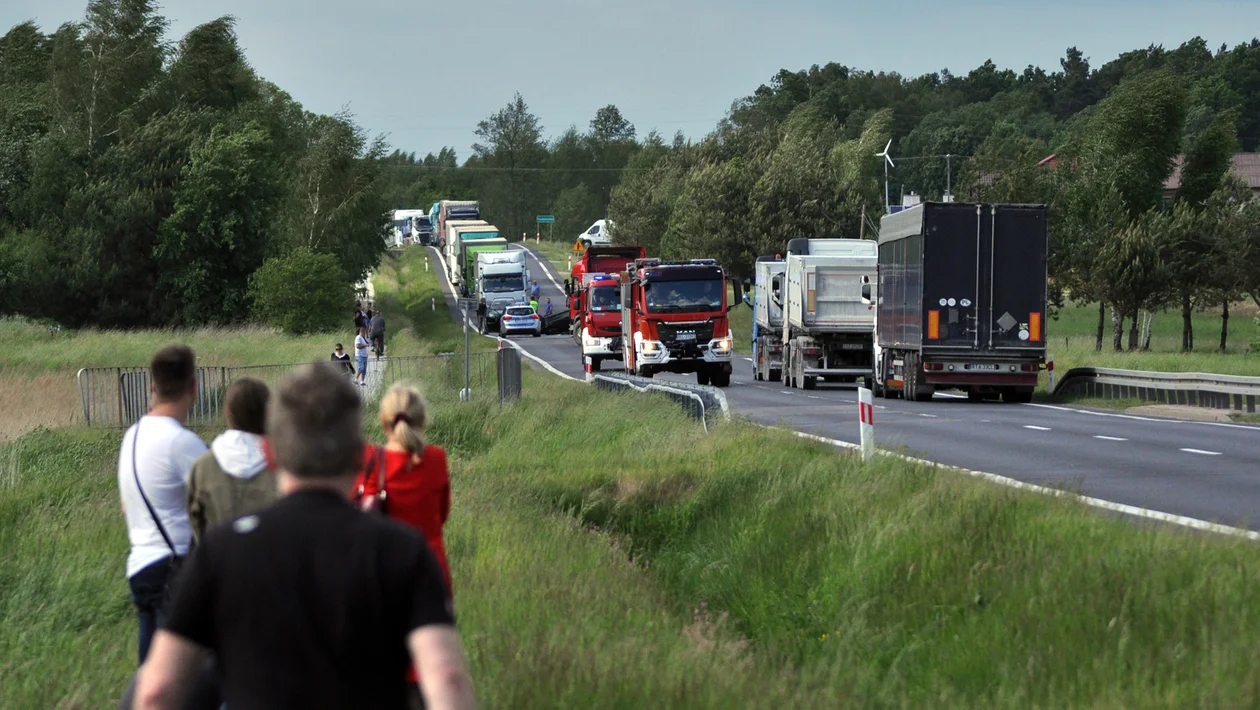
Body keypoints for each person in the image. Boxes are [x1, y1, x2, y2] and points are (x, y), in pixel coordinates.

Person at [133, 364, 475, 710]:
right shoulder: (404, 551)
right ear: (359, 454)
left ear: (270, 452)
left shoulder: (220, 551)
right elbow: (446, 676)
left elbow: (156, 691)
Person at [356, 385, 453, 697]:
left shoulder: (371, 461)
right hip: (432, 574)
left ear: (384, 423)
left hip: (383, 577)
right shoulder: (436, 460)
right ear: (421, 420)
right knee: (432, 668)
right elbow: (443, 514)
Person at [118, 345, 208, 665]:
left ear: (153, 387)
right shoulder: (181, 442)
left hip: (140, 567)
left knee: (151, 676)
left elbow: (126, 506)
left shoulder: (131, 437)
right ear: (193, 388)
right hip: (172, 572)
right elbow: (217, 499)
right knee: (184, 679)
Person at [185, 377, 276, 545]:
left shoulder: (203, 466)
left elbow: (196, 523)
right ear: (267, 412)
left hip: (219, 561)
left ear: (229, 413)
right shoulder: (283, 466)